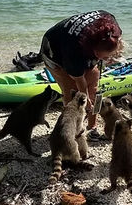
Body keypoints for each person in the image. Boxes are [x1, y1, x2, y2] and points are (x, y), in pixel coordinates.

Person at [40, 10, 123, 140]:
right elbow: (79, 80)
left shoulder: (111, 24)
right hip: (54, 52)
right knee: (72, 95)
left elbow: (115, 42)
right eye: (105, 56)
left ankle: (92, 127)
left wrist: (112, 52)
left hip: (83, 49)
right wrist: (86, 98)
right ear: (93, 50)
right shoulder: (74, 51)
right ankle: (71, 130)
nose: (107, 59)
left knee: (95, 92)